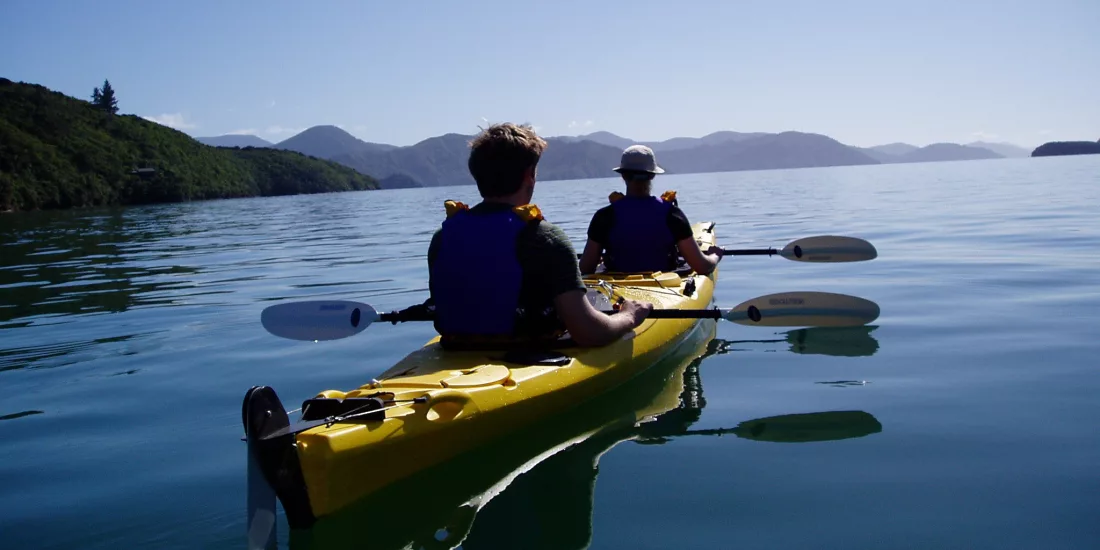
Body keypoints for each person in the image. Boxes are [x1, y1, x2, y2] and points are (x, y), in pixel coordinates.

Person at [427, 123, 653, 348]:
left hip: (457, 347)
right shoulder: (545, 238)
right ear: (529, 175)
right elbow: (589, 333)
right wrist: (630, 316)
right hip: (528, 350)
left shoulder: (442, 237)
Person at [579, 145, 722, 275]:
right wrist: (715, 256)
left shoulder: (603, 216)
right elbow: (702, 267)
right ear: (653, 175)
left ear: (623, 175)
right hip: (664, 290)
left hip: (616, 293)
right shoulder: (673, 215)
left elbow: (585, 269)